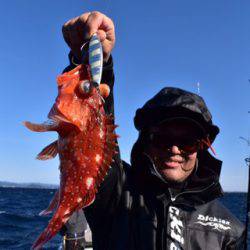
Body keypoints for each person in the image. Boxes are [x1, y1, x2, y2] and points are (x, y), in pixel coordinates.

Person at [60, 11, 245, 250]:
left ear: (202, 147)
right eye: (162, 138)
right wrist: (89, 63)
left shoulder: (232, 230)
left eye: (188, 141)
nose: (175, 149)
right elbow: (93, 137)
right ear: (146, 141)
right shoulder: (117, 193)